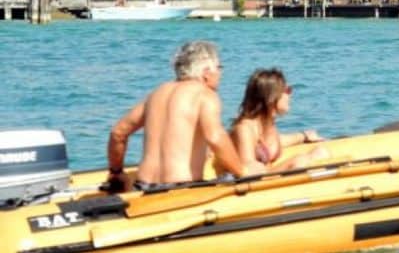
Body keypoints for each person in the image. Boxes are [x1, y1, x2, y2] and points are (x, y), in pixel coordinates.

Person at [106, 41, 247, 191]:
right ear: (206, 73)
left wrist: (116, 172)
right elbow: (215, 137)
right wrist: (241, 173)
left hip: (143, 186)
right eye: (219, 68)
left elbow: (118, 132)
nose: (220, 74)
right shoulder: (204, 95)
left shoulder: (157, 93)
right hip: (181, 188)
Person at [230, 68, 328, 173]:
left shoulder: (267, 123)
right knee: (300, 161)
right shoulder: (244, 129)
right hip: (255, 184)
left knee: (321, 152)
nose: (290, 94)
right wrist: (292, 163)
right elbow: (248, 169)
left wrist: (304, 136)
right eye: (287, 90)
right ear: (272, 97)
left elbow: (276, 142)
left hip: (267, 177)